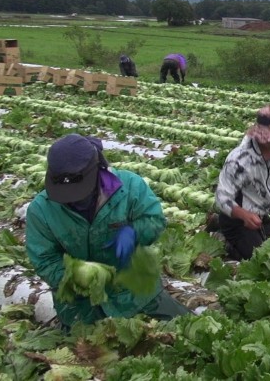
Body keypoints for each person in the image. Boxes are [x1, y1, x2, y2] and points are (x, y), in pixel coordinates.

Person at [25, 134, 189, 329]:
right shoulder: (41, 210)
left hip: (136, 289)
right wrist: (76, 276)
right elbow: (44, 259)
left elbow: (154, 220)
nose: (73, 200)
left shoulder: (130, 187)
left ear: (96, 171)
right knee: (92, 353)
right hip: (81, 304)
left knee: (186, 327)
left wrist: (134, 232)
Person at [212, 105, 270, 260]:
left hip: (261, 216)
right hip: (236, 218)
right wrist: (244, 215)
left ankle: (220, 224)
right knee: (259, 258)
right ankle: (222, 237)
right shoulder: (239, 159)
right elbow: (222, 197)